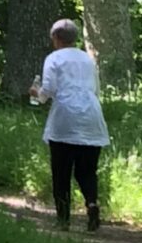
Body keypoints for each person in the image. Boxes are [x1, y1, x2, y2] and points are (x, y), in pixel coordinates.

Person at [29, 18, 110, 229]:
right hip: (91, 115)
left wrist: (37, 94)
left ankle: (63, 218)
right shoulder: (87, 59)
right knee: (87, 170)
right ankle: (92, 204)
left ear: (56, 38)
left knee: (61, 170)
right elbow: (96, 88)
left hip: (65, 117)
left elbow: (48, 89)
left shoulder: (54, 58)